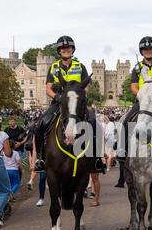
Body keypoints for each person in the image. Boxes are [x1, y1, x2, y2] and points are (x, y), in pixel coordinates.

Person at [33, 36, 105, 173]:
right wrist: (58, 97)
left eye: (68, 48)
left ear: (72, 50)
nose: (66, 50)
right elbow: (48, 88)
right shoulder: (53, 67)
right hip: (58, 102)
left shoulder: (80, 66)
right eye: (63, 48)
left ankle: (96, 160)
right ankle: (41, 159)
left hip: (77, 104)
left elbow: (86, 87)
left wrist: (79, 97)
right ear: (59, 51)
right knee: (40, 124)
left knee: (94, 123)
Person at [116, 36, 152, 162]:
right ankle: (122, 150)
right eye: (145, 49)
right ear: (142, 52)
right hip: (143, 101)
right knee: (126, 121)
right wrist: (143, 96)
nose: (148, 51)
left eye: (150, 49)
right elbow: (134, 87)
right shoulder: (137, 68)